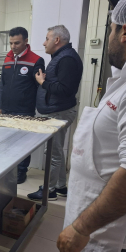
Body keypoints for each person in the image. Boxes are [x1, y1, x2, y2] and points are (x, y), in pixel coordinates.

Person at [57, 0, 126, 252]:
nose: (109, 37)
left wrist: (81, 228)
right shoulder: (124, 81)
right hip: (94, 221)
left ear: (124, 31)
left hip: (113, 238)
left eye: (111, 29)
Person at [27, 25, 83, 201]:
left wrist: (42, 82)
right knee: (56, 150)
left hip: (58, 112)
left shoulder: (67, 59)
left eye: (47, 38)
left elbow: (65, 89)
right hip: (55, 111)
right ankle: (60, 186)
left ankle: (48, 191)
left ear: (57, 40)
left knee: (51, 152)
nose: (44, 43)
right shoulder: (60, 57)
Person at [0, 26, 45, 184]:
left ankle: (21, 171)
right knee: (7, 141)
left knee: (23, 142)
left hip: (24, 109)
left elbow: (39, 86)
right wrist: (1, 105)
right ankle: (8, 169)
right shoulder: (7, 58)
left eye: (16, 43)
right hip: (7, 108)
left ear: (26, 41)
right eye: (11, 43)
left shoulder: (36, 60)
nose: (13, 46)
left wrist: (37, 107)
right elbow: (2, 84)